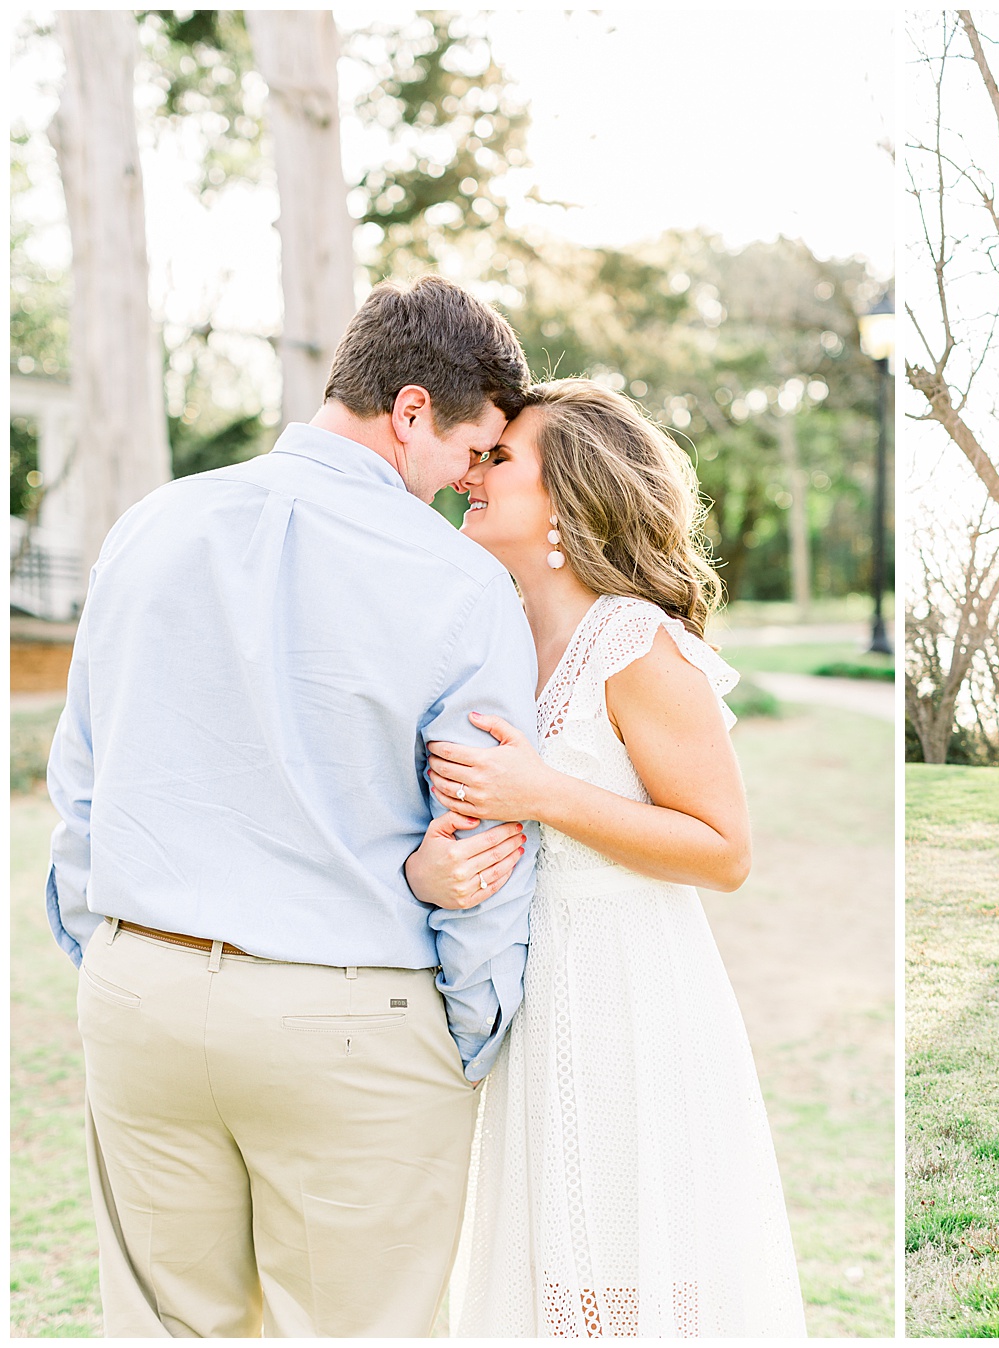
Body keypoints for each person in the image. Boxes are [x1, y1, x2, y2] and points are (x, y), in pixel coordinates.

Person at [45, 275, 540, 1336]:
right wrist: (471, 1028)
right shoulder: (460, 584)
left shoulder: (149, 526)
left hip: (144, 993)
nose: (466, 482)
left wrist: (113, 953)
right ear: (411, 412)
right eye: (470, 449)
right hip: (356, 1021)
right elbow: (487, 835)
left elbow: (79, 778)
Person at [407, 378, 806, 1337]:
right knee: (555, 1285)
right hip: (535, 1002)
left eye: (501, 458)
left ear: (569, 497)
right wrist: (429, 874)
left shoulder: (632, 641)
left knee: (622, 1288)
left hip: (630, 1000)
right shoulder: (500, 639)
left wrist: (546, 794)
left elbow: (725, 850)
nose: (473, 471)